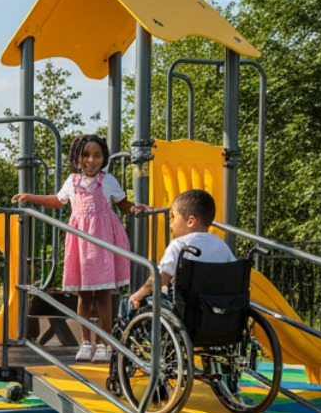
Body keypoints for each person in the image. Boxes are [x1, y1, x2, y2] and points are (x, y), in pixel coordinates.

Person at [13, 132, 132, 363]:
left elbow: (122, 204)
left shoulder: (107, 180)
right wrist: (31, 197)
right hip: (81, 243)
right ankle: (86, 342)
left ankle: (105, 343)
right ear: (77, 157)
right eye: (85, 155)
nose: (91, 160)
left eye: (97, 155)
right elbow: (58, 201)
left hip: (103, 243)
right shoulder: (73, 181)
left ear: (104, 158)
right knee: (84, 296)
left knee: (104, 295)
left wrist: (136, 208)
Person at [128, 188, 236, 309]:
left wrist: (138, 295)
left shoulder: (179, 245)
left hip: (187, 309)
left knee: (133, 304)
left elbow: (161, 277)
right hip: (217, 308)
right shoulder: (221, 244)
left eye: (173, 217)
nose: (171, 224)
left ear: (190, 221)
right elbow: (233, 274)